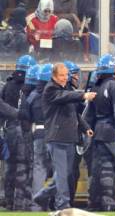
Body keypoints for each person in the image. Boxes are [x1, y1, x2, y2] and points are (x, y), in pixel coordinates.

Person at [33, 63, 96, 211]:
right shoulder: (50, 89)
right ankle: (63, 204)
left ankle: (42, 196)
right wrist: (83, 95)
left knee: (65, 173)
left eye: (66, 75)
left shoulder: (65, 89)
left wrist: (86, 128)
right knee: (62, 174)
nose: (65, 78)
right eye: (61, 75)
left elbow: (74, 112)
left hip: (69, 138)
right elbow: (64, 97)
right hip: (56, 138)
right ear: (54, 76)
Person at [84, 54, 115, 211]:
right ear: (111, 68)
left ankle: (107, 204)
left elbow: (89, 115)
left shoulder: (96, 87)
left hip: (98, 133)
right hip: (112, 132)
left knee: (105, 169)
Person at [0, 54, 36, 211]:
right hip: (24, 128)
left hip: (8, 130)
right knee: (23, 166)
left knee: (9, 166)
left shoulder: (7, 85)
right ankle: (20, 203)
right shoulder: (30, 86)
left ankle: (7, 200)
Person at [22, 63, 53, 211]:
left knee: (39, 168)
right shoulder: (53, 93)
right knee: (58, 168)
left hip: (37, 133)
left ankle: (36, 204)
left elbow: (25, 116)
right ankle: (54, 202)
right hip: (54, 133)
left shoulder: (33, 96)